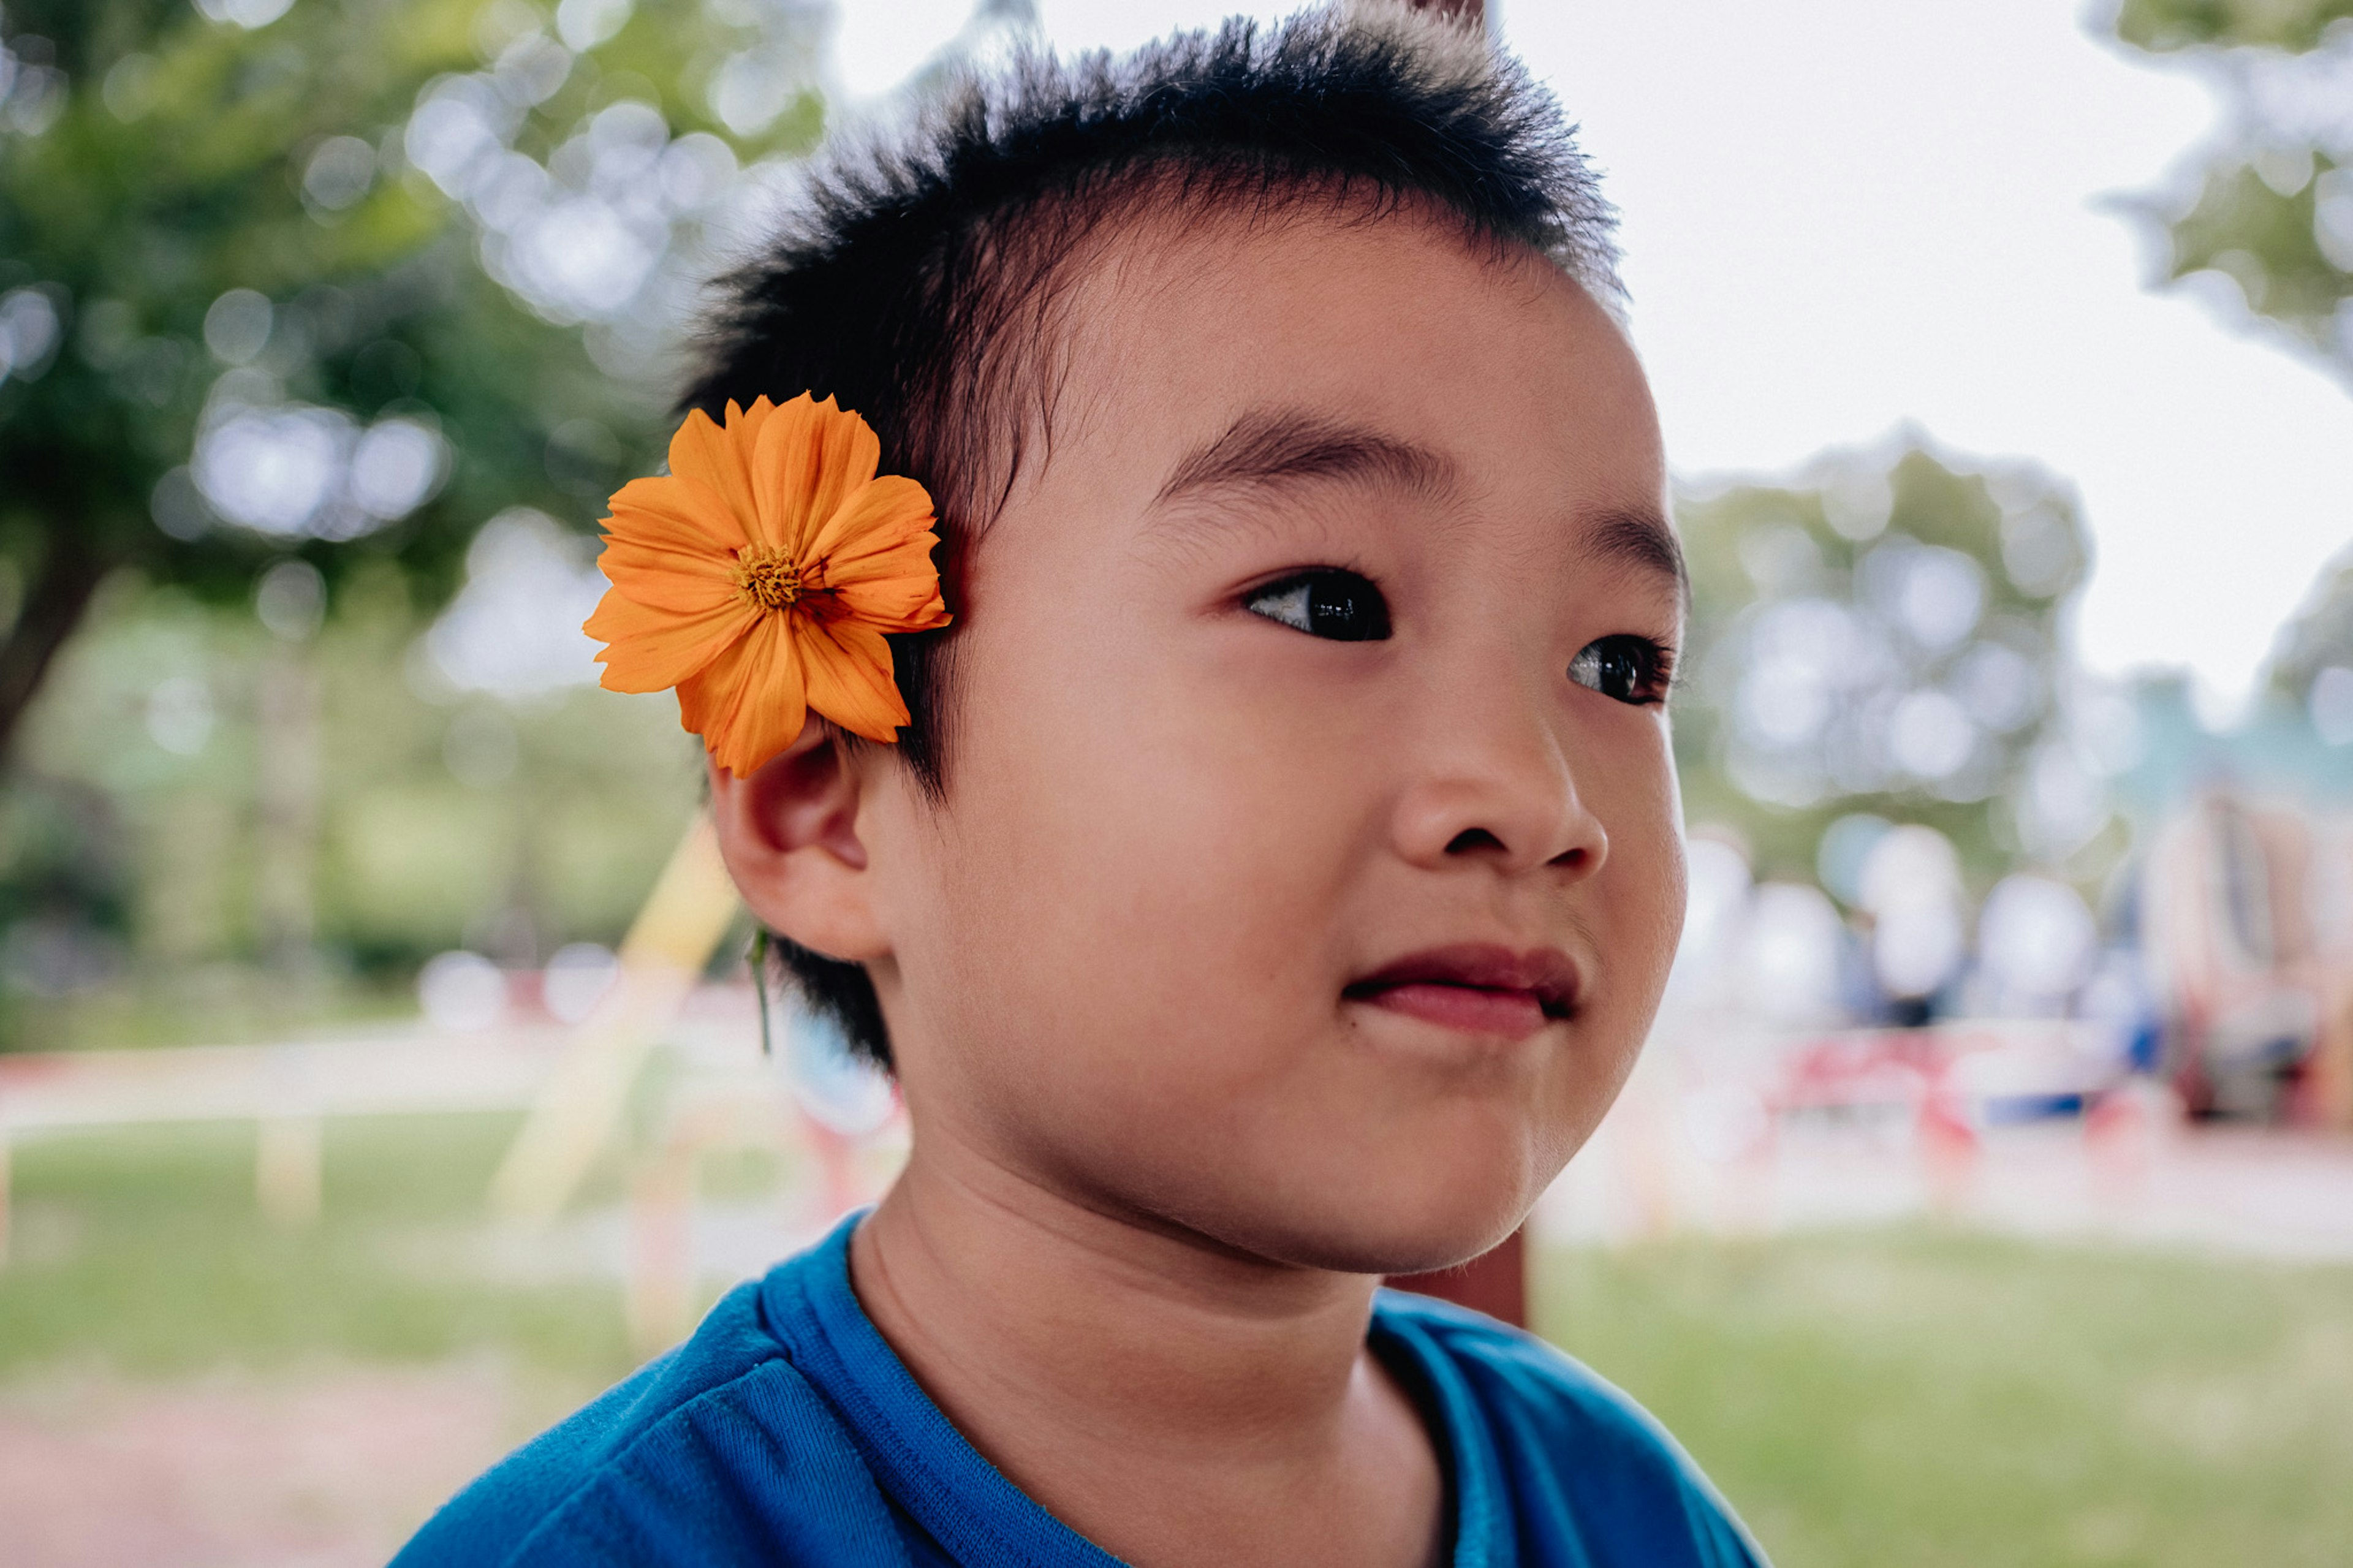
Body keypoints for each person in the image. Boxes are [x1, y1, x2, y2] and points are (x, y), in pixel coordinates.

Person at [397, 7, 1766, 1565]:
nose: (1539, 796)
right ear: (824, 808)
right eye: (1330, 603)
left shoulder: (1628, 1511)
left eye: (1621, 667)